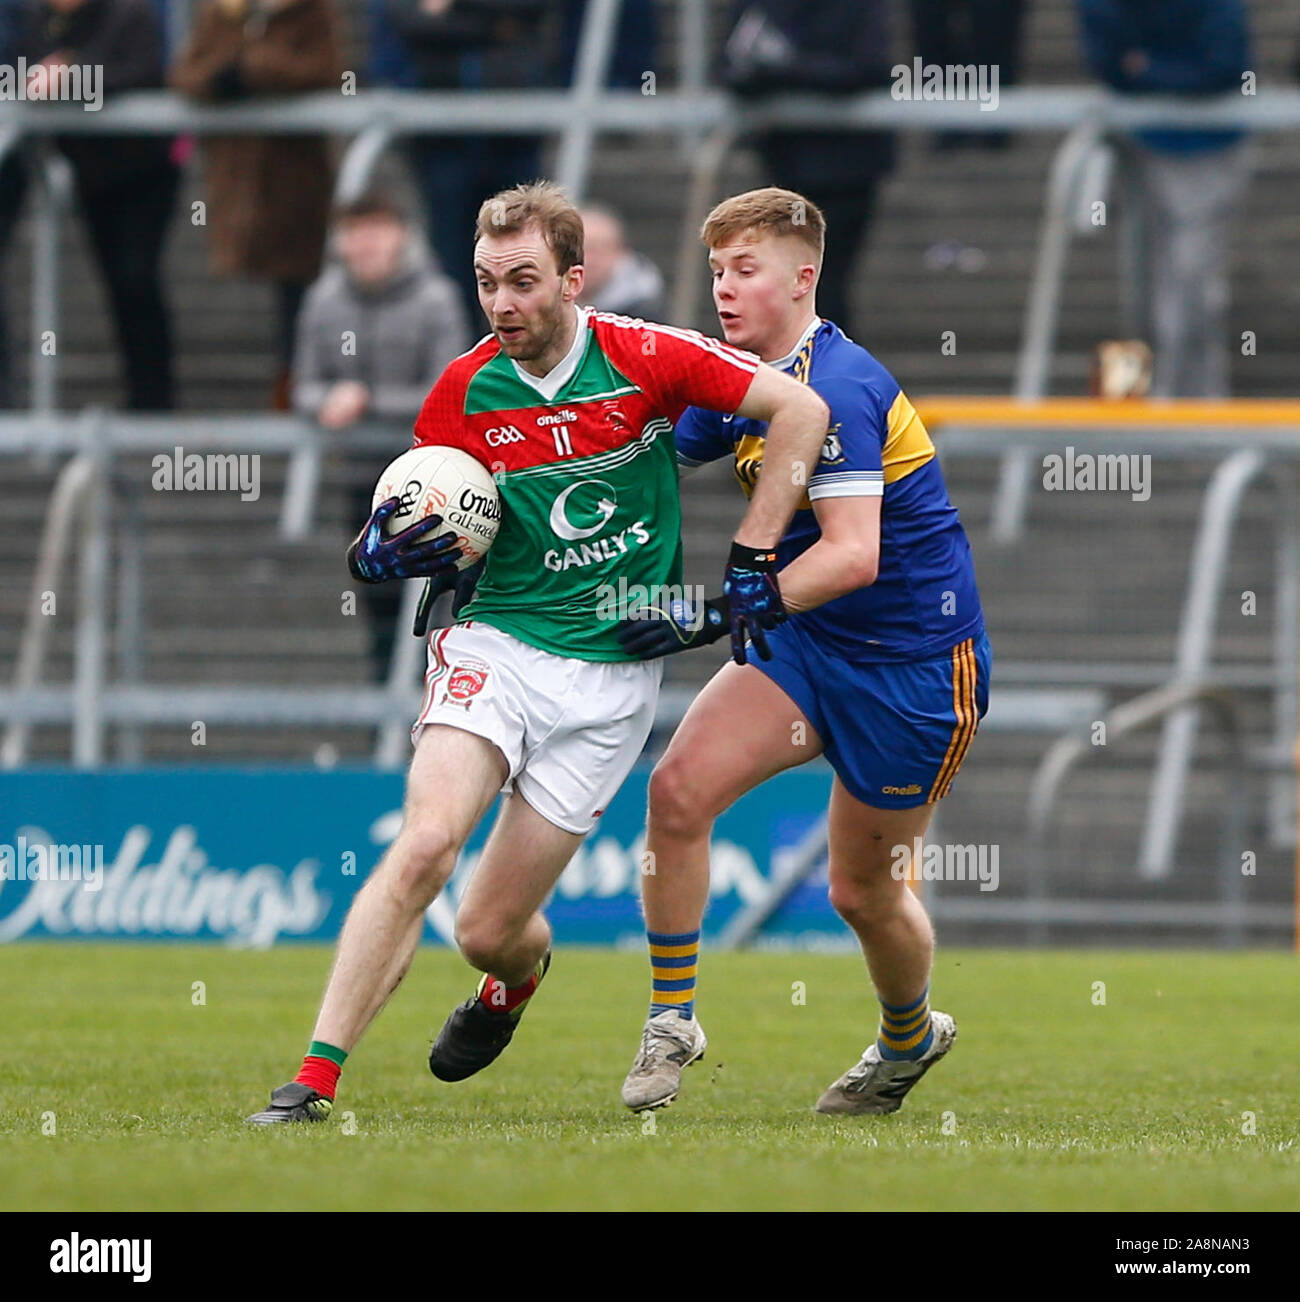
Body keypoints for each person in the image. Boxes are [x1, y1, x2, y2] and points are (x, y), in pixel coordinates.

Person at [247, 180, 830, 1123]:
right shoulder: (465, 389)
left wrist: (752, 562)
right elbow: (424, 509)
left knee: (486, 931)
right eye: (487, 282)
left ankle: (510, 984)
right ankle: (312, 1080)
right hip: (499, 643)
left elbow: (799, 411)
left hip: (611, 679)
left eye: (522, 281)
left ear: (572, 276)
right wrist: (377, 551)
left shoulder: (647, 355)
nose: (503, 303)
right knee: (426, 844)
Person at [614, 187, 991, 1116]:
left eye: (745, 271)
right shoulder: (740, 375)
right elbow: (648, 456)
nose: (724, 291)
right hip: (805, 643)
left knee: (860, 894)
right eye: (716, 272)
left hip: (913, 668)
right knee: (676, 794)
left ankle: (908, 1041)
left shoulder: (845, 388)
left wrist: (708, 614)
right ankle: (672, 1023)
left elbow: (855, 554)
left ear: (803, 278)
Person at [293, 191, 470, 682]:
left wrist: (367, 400)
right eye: (354, 232)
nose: (365, 243)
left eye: (376, 230)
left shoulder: (437, 297)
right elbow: (305, 385)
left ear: (401, 235)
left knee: (439, 595)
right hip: (362, 477)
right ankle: (388, 705)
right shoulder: (323, 298)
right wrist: (329, 400)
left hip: (435, 481)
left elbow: (448, 389)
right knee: (378, 598)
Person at [0, 0, 180, 411]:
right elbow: (22, 78)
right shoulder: (42, 21)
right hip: (91, 175)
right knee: (118, 286)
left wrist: (72, 72)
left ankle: (154, 401)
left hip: (146, 173)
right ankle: (143, 400)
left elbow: (143, 73)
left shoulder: (130, 15)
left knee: (136, 278)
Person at [170, 0, 344, 405]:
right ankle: (291, 391)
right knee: (277, 286)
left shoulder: (313, 12)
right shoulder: (220, 13)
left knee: (300, 288)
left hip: (295, 177)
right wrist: (220, 80)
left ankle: (300, 391)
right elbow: (185, 74)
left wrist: (252, 70)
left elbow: (326, 69)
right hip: (237, 178)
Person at [1077, 0, 1252, 398]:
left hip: (1210, 149)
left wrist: (1149, 68)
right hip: (1137, 147)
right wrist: (1166, 71)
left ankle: (1195, 402)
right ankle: (1151, 402)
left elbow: (1225, 65)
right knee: (1142, 286)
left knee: (1193, 283)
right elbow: (1107, 61)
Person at [722, 0, 895, 343]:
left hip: (846, 167)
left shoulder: (855, 11)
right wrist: (759, 73)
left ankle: (828, 379)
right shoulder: (758, 8)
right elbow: (730, 67)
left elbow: (867, 69)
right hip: (784, 163)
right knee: (789, 284)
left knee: (823, 283)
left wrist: (784, 69)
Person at [388, 0, 553, 327]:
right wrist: (494, 24)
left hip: (513, 139)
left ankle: (526, 359)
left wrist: (450, 13)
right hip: (442, 143)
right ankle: (466, 362)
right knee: (452, 265)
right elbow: (409, 21)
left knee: (525, 254)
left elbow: (533, 8)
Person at [577, 204, 666, 321]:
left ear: (621, 253)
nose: (590, 261)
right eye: (583, 249)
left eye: (601, 250)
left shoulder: (644, 311)